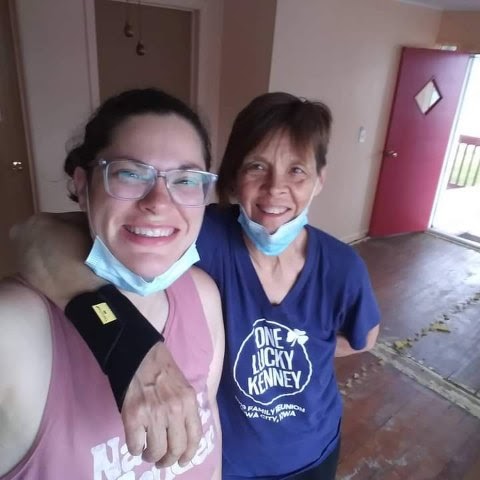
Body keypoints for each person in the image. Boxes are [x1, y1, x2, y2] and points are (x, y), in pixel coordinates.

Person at [14, 91, 380, 479]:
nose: (275, 188)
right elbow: (36, 234)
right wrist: (126, 343)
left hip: (313, 452)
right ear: (234, 178)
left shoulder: (342, 266)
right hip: (231, 461)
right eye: (257, 166)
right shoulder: (199, 234)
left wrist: (294, 353)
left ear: (319, 180)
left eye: (297, 171)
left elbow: (364, 338)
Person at [0, 89, 224, 479]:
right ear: (83, 186)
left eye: (186, 179)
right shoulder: (13, 327)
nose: (158, 201)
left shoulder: (202, 297)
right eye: (130, 173)